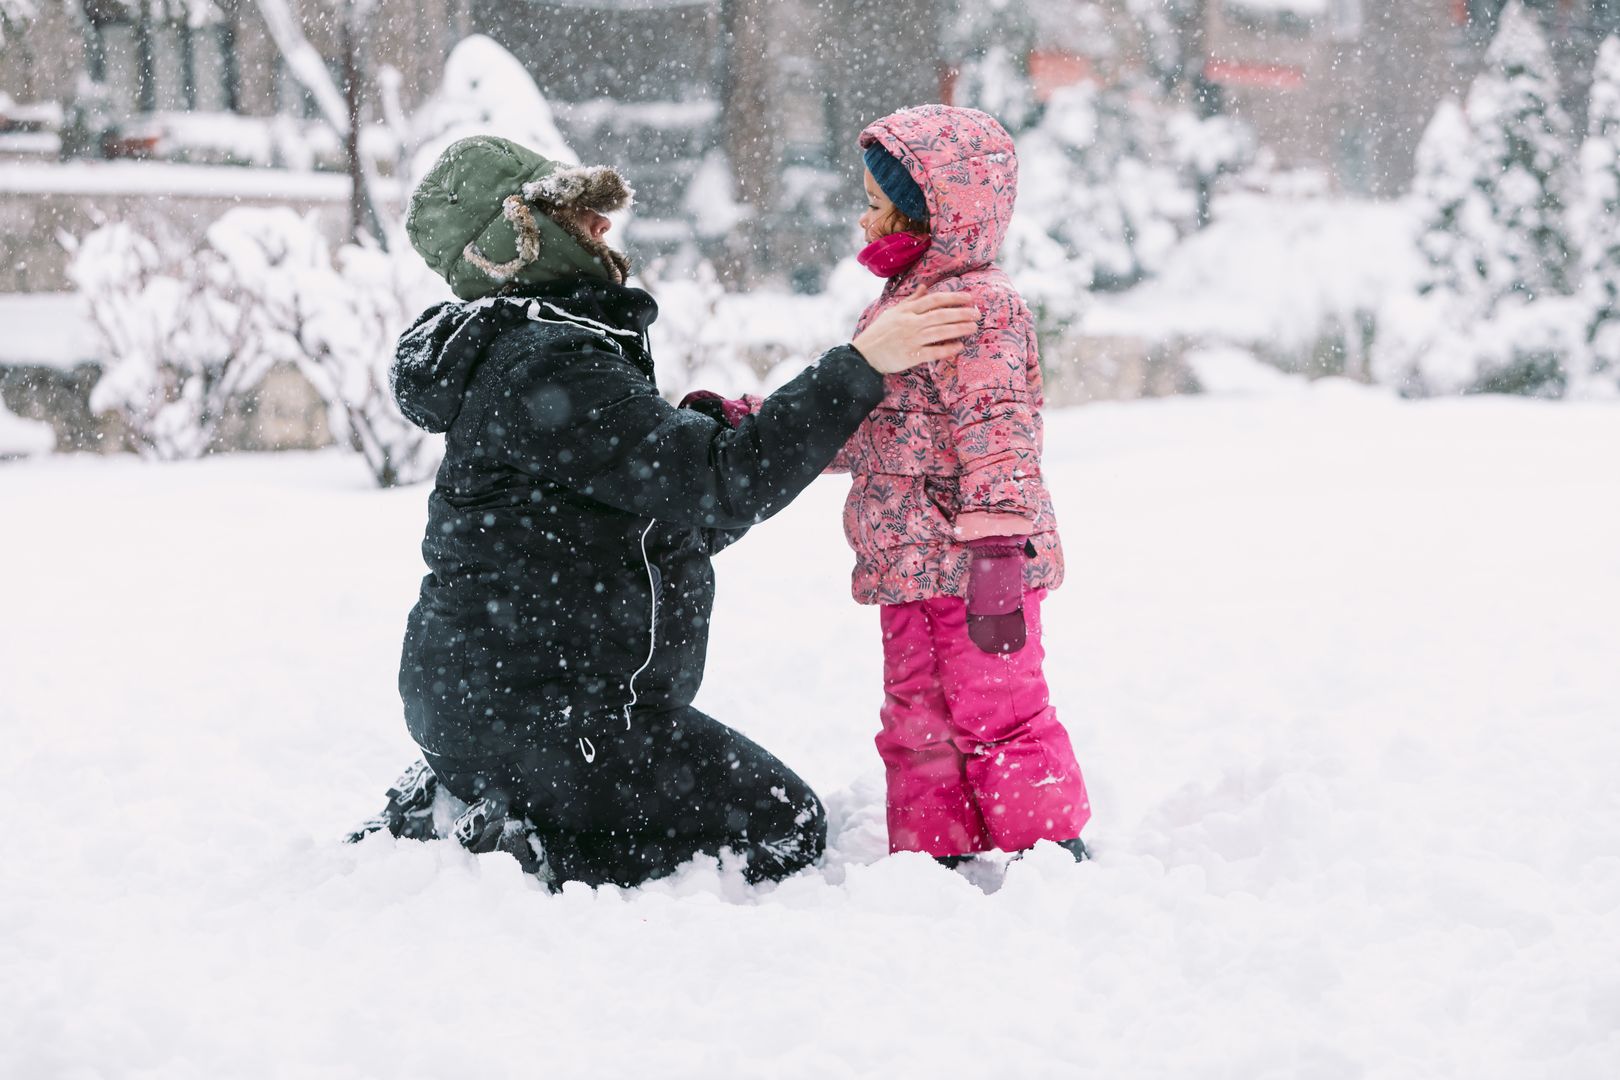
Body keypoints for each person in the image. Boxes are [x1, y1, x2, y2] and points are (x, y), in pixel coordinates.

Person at [348, 134, 979, 888]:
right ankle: (514, 836)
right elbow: (718, 483)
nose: (603, 228)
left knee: (768, 816)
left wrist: (770, 435)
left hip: (500, 709)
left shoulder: (539, 347)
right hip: (552, 721)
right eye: (578, 213)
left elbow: (671, 513)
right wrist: (859, 368)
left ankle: (482, 786)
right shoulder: (547, 364)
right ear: (513, 239)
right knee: (785, 829)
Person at [834, 105, 1093, 864]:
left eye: (876, 204)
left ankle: (1047, 850)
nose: (862, 218)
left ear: (929, 214)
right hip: (905, 566)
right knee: (913, 716)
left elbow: (999, 430)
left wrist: (1001, 553)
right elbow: (867, 422)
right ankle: (931, 853)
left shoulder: (982, 308)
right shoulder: (898, 307)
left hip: (977, 565)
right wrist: (756, 421)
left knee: (1001, 711)